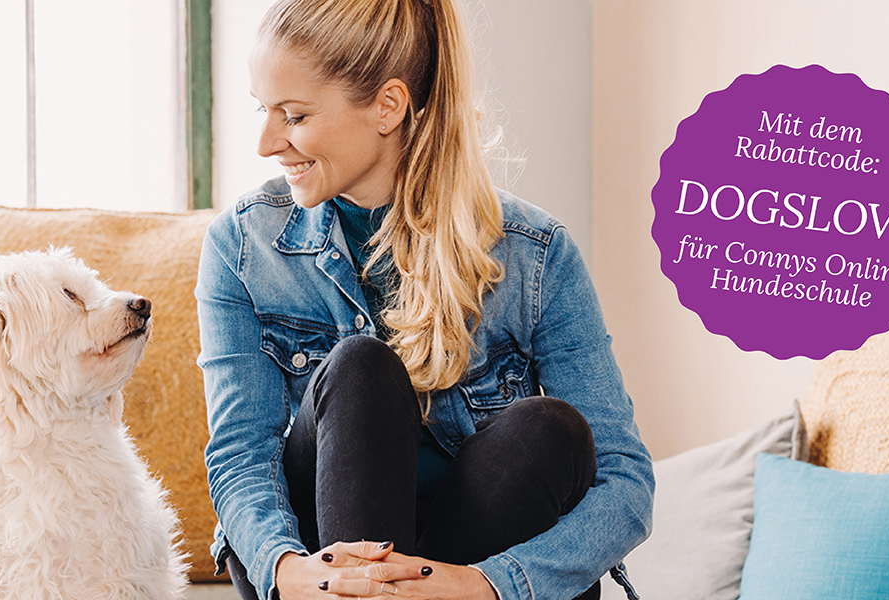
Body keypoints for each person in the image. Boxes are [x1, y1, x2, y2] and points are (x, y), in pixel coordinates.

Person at [194, 0, 654, 598]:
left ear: (387, 106)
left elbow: (626, 483)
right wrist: (288, 569)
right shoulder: (242, 245)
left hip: (469, 562)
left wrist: (482, 585)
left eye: (294, 115)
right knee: (360, 368)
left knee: (552, 431)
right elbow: (239, 455)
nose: (266, 142)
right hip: (324, 570)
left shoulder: (535, 254)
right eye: (264, 110)